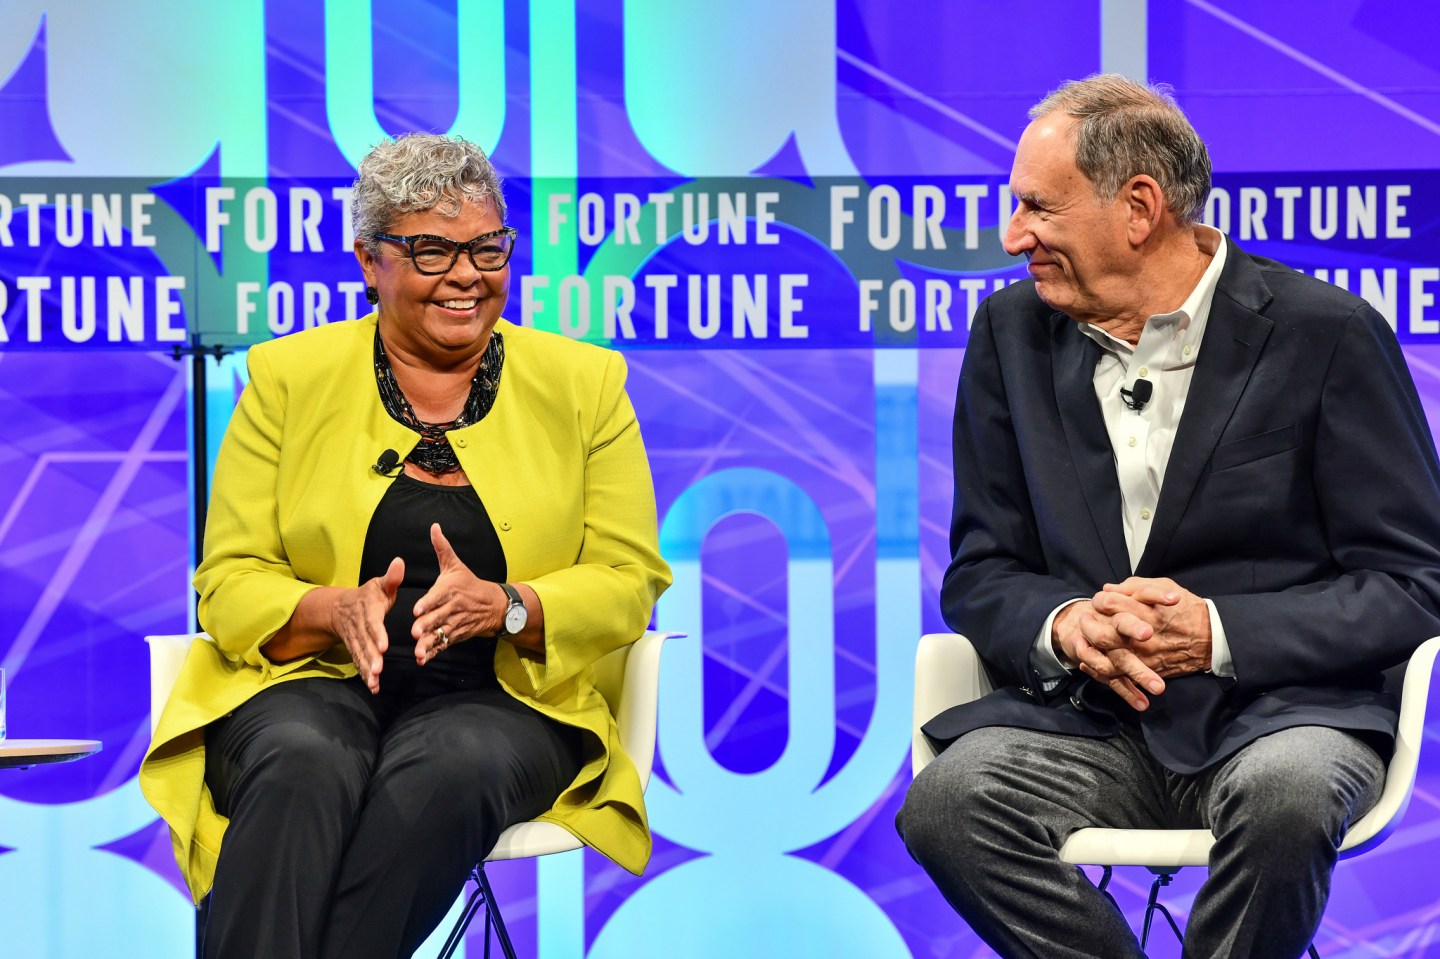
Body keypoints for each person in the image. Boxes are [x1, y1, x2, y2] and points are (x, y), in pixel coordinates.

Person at [896, 74, 1440, 959]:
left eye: (1037, 208)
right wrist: (1068, 624)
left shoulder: (1325, 335)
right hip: (1090, 722)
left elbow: (1416, 583)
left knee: (1290, 797)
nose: (1012, 236)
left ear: (1139, 206)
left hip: (1283, 714)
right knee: (950, 804)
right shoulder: (1008, 335)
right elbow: (981, 570)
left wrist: (1218, 631)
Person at [140, 133, 671, 958]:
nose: (467, 275)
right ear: (369, 260)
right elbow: (229, 578)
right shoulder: (287, 378)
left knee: (448, 765)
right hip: (311, 681)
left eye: (487, 248)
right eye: (431, 250)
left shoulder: (584, 385)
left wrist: (511, 604)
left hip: (508, 700)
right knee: (304, 758)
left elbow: (628, 575)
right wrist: (331, 608)